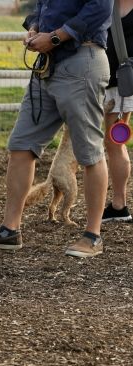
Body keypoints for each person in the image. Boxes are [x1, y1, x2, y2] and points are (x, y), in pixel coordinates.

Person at [0, 1, 113, 258]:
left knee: (89, 152)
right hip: (47, 67)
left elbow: (100, 9)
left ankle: (93, 236)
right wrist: (35, 27)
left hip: (81, 63)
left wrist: (54, 37)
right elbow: (44, 6)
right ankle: (10, 230)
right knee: (22, 145)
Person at [102, 0, 133, 223]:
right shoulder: (107, 4)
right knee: (113, 143)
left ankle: (119, 204)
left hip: (122, 82)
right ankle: (118, 204)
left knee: (114, 142)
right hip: (107, 79)